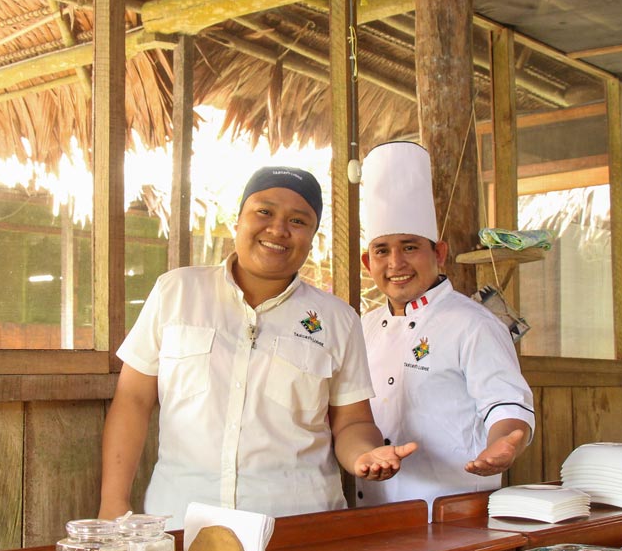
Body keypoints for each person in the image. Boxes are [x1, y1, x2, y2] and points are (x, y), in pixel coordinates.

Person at [98, 165, 416, 528]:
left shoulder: (337, 319)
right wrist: (113, 504)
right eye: (264, 211)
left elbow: (353, 421)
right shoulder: (177, 292)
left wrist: (364, 455)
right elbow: (132, 400)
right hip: (181, 523)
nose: (278, 229)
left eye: (298, 221)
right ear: (238, 220)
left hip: (296, 527)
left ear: (312, 237)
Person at [357, 141, 535, 515]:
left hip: (451, 515)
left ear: (438, 253)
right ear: (366, 261)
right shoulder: (363, 328)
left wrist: (505, 443)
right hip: (370, 514)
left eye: (409, 247)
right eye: (382, 251)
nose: (396, 263)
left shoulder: (473, 324)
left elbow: (506, 404)